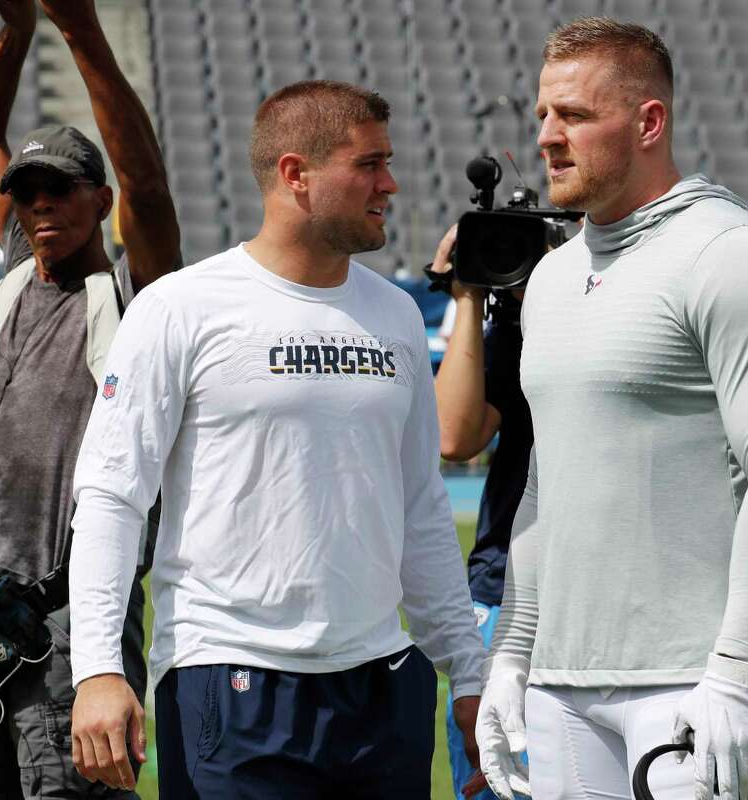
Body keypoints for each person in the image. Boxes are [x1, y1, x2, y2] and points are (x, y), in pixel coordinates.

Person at [67, 79, 486, 799]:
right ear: (296, 174)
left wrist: (469, 671)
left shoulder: (393, 315)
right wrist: (99, 669)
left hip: (384, 684)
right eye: (369, 164)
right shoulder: (180, 307)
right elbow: (110, 495)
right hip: (231, 679)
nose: (391, 183)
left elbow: (420, 508)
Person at [475, 18, 748, 800]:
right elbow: (543, 483)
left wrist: (738, 671)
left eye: (573, 115)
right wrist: (513, 652)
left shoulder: (734, 254)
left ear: (648, 122)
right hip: (560, 688)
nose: (547, 138)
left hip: (690, 685)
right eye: (541, 115)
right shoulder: (554, 278)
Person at [0, 0, 179, 796]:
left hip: (75, 620)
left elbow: (145, 179)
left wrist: (80, 30)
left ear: (99, 202)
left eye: (60, 191)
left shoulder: (136, 293)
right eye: (27, 194)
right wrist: (17, 32)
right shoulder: (15, 267)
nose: (39, 208)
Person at [430, 224, 534, 800]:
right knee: (493, 783)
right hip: (506, 588)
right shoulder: (512, 334)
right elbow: (455, 436)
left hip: (608, 597)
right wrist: (468, 297)